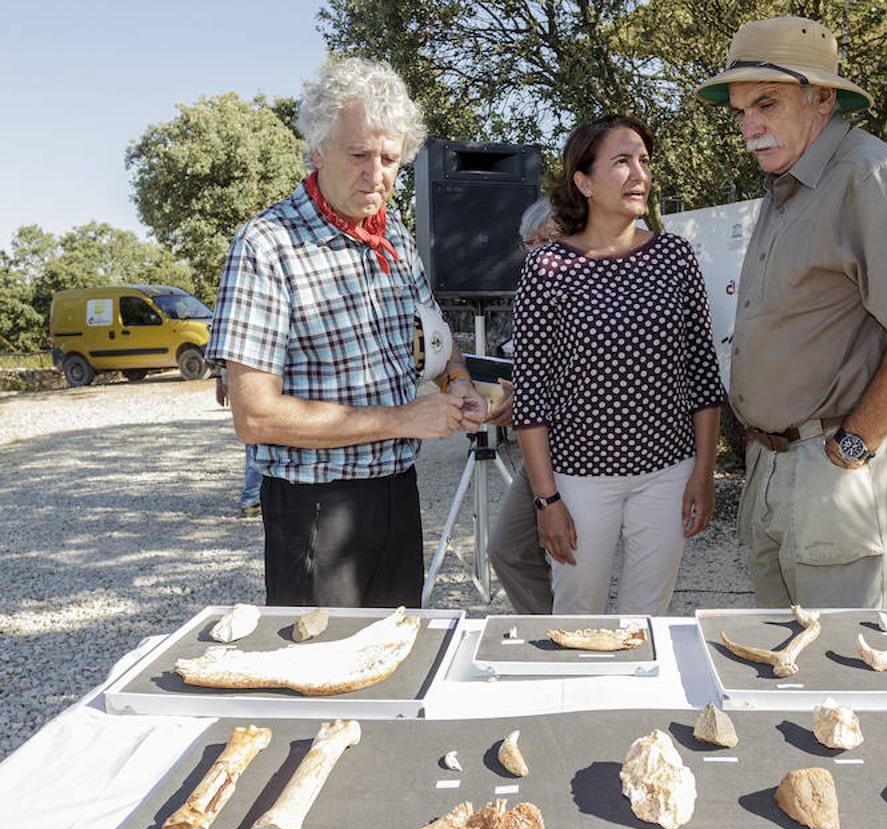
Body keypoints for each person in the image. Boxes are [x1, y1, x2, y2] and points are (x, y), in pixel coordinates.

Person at [695, 17, 887, 609]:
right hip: (772, 462)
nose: (749, 126)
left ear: (822, 98)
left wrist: (852, 450)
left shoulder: (868, 175)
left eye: (765, 103)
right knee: (780, 663)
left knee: (849, 667)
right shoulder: (789, 181)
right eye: (740, 112)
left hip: (828, 467)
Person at [207, 57, 485, 608]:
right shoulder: (267, 245)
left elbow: (434, 328)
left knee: (392, 658)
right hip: (314, 509)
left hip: (396, 494)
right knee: (319, 677)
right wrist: (406, 417)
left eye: (389, 159)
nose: (376, 174)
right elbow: (254, 416)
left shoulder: (392, 235)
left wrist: (458, 380)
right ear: (317, 151)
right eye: (359, 155)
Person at [511, 115, 727, 616]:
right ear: (583, 182)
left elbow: (701, 373)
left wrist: (703, 471)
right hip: (581, 479)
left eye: (645, 162)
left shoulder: (674, 257)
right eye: (622, 162)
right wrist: (547, 500)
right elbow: (531, 395)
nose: (639, 175)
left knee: (648, 619)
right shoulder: (548, 269)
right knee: (578, 616)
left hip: (668, 475)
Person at [488, 198, 560, 614]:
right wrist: (517, 399)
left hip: (583, 455)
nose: (536, 251)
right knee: (508, 549)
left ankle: (582, 644)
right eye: (528, 243)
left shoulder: (593, 285)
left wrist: (528, 402)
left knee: (577, 560)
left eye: (546, 240)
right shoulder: (531, 292)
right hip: (538, 451)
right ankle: (548, 629)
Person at [215, 367, 262, 517]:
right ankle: (251, 500)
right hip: (253, 383)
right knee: (255, 440)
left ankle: (254, 498)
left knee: (255, 441)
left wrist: (220, 381)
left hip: (246, 381)